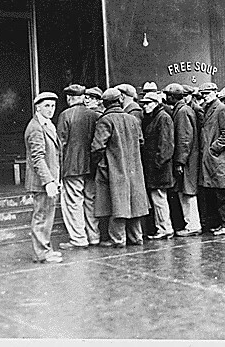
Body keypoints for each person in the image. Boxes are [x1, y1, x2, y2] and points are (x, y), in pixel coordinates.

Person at [92, 88, 150, 247]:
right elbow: (141, 142)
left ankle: (118, 239)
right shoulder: (132, 119)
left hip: (114, 169)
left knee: (116, 204)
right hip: (134, 169)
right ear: (119, 101)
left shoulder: (105, 120)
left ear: (105, 103)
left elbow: (98, 147)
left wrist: (98, 164)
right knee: (134, 204)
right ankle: (136, 237)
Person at [57, 84, 101, 251]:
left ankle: (78, 238)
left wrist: (59, 170)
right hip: (91, 165)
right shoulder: (94, 115)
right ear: (83, 97)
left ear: (69, 98)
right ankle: (94, 236)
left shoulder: (65, 115)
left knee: (74, 202)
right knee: (90, 201)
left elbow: (61, 144)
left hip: (72, 166)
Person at [24, 92, 63, 264]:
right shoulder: (36, 128)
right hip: (42, 181)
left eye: (53, 106)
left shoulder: (47, 125)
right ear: (37, 107)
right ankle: (41, 253)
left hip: (49, 179)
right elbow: (38, 157)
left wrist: (55, 179)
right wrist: (48, 181)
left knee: (47, 216)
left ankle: (45, 250)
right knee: (41, 216)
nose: (50, 109)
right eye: (46, 106)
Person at [198, 82, 225, 236]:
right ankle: (223, 224)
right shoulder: (208, 109)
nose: (205, 97)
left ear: (215, 93)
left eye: (208, 93)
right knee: (217, 193)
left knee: (224, 194)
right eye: (203, 94)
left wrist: (214, 148)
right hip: (213, 159)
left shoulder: (221, 109)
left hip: (220, 159)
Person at [164, 83, 201, 237]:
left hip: (186, 160)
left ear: (173, 96)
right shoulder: (183, 110)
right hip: (187, 159)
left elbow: (184, 139)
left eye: (168, 95)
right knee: (185, 192)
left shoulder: (182, 112)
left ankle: (192, 225)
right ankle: (191, 224)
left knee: (188, 192)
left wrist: (180, 162)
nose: (166, 98)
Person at [140, 92, 175, 240]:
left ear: (155, 103)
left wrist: (158, 163)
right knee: (158, 199)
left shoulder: (162, 118)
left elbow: (166, 145)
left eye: (148, 103)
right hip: (157, 167)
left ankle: (165, 228)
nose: (145, 106)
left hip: (159, 168)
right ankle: (163, 227)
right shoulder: (158, 117)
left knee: (159, 198)